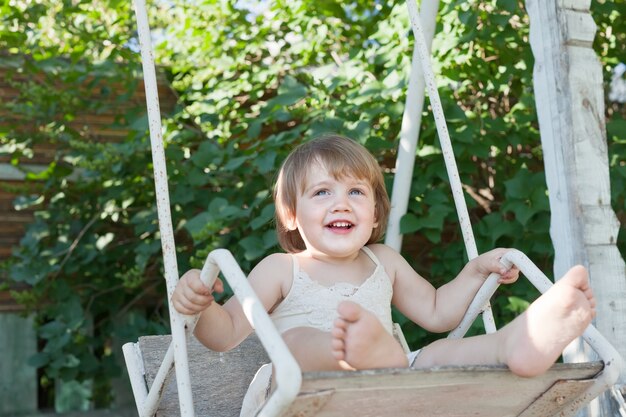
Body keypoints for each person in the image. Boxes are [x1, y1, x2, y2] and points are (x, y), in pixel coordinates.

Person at [171, 134, 596, 415]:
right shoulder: (282, 269)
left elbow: (436, 312)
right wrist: (201, 305)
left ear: (374, 212)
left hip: (388, 385)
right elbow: (223, 335)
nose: (342, 204)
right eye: (323, 193)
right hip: (298, 396)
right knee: (295, 342)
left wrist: (474, 271)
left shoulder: (383, 260)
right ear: (291, 214)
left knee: (432, 356)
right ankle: (354, 355)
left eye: (356, 192)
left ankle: (515, 344)